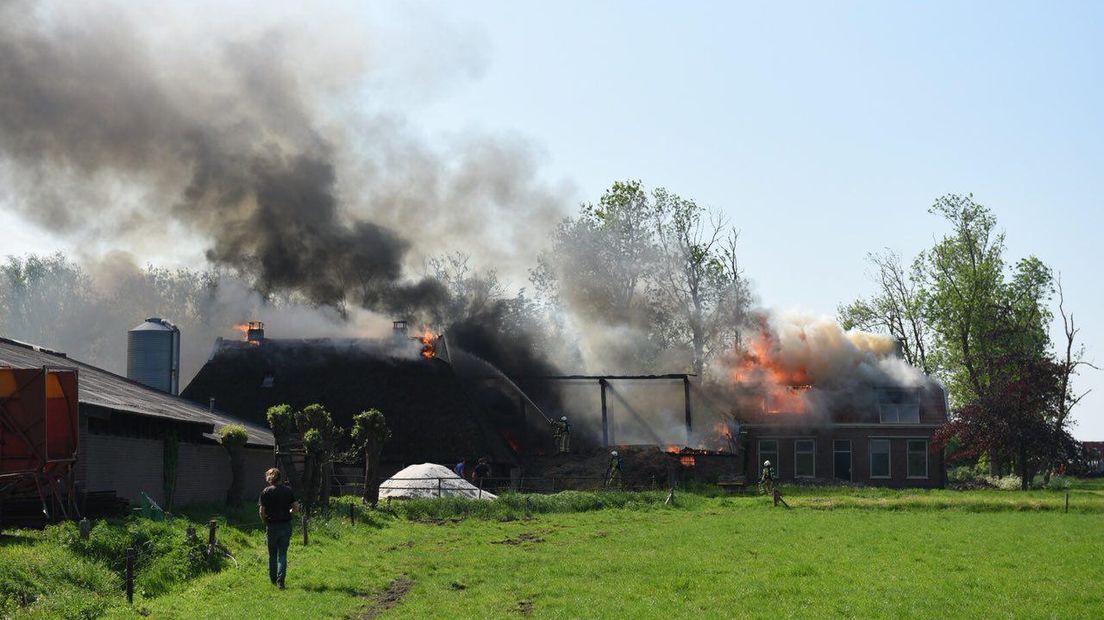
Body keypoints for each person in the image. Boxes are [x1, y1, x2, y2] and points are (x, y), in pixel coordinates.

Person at [258, 467, 298, 589]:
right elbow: (295, 508)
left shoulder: (266, 492)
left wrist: (265, 521)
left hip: (272, 525)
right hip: (285, 525)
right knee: (283, 554)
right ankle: (281, 581)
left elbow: (261, 511)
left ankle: (273, 579)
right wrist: (289, 513)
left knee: (272, 554)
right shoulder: (288, 491)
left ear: (269, 478)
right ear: (280, 478)